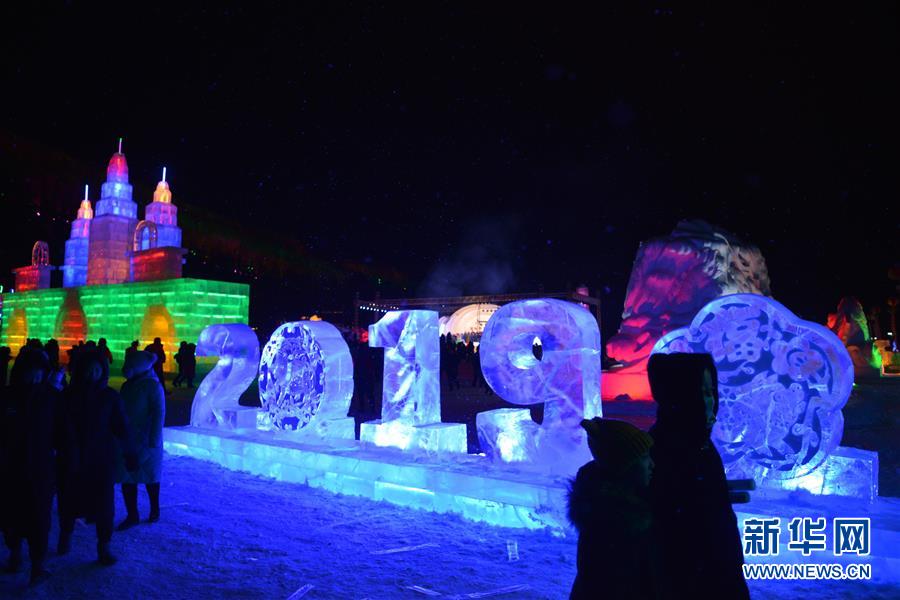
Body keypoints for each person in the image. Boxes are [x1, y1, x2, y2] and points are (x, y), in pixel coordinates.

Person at [647, 353, 749, 599]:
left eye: (711, 391)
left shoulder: (701, 445)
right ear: (680, 397)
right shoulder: (661, 452)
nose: (710, 401)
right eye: (701, 393)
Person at [57, 348, 136, 566]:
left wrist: (130, 452)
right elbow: (56, 427)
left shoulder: (109, 397)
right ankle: (65, 534)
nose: (92, 374)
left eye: (97, 370)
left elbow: (122, 427)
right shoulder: (67, 396)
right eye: (88, 369)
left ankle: (104, 546)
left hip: (100, 459)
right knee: (68, 501)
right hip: (71, 458)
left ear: (103, 371)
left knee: (104, 506)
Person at [568, 418, 656, 599]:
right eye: (644, 458)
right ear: (624, 467)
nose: (652, 464)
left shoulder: (600, 509)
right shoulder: (613, 523)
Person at [0, 348, 59, 586]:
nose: (34, 376)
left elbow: (63, 433)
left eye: (39, 371)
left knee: (39, 519)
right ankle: (15, 553)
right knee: (10, 515)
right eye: (30, 371)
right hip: (10, 468)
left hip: (40, 470)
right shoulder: (7, 397)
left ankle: (37, 565)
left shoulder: (52, 398)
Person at [116, 351, 165, 529]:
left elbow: (159, 413)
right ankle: (132, 515)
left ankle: (154, 510)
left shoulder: (153, 386)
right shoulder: (127, 385)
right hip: (128, 439)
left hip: (147, 439)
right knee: (127, 477)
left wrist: (154, 440)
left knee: (150, 476)